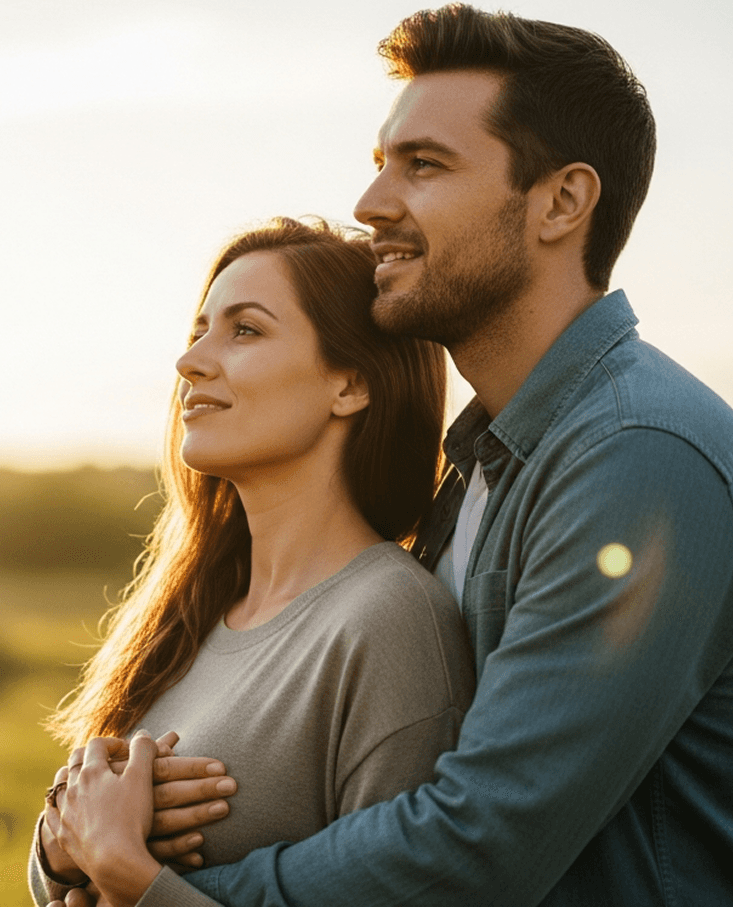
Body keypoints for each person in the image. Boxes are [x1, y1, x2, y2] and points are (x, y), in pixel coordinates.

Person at [54, 3, 733, 907]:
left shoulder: (639, 456)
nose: (371, 207)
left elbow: (482, 842)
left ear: (562, 201)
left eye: (424, 165)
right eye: (380, 165)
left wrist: (151, 887)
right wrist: (75, 845)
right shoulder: (478, 467)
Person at [29, 217, 473, 905]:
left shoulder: (391, 621)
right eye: (198, 331)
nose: (191, 361)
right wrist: (61, 847)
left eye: (245, 330)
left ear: (350, 385)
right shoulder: (193, 610)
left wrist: (127, 872)